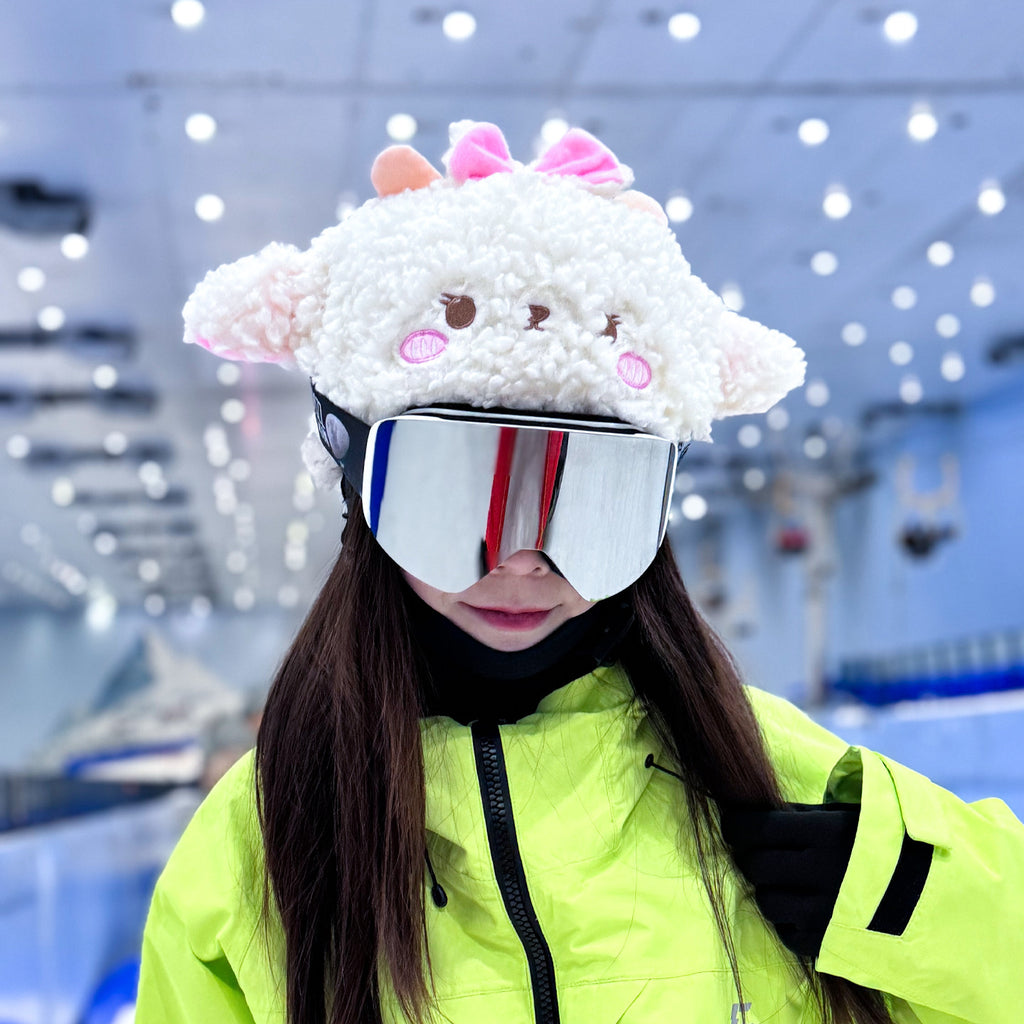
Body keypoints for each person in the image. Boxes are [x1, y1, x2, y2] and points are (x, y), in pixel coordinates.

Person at [137, 122, 1024, 1024]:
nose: (525, 557)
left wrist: (916, 905)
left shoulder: (762, 769)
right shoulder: (259, 844)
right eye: (461, 490)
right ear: (363, 487)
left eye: (592, 496)